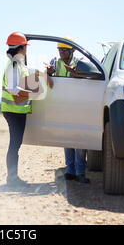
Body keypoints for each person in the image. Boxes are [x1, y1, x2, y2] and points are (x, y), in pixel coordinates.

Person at [2, 32, 53, 186]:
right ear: (21, 48)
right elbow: (12, 89)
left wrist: (44, 75)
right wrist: (32, 93)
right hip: (14, 111)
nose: (26, 50)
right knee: (14, 145)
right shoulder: (14, 65)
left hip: (17, 111)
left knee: (15, 144)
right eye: (25, 47)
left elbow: (28, 75)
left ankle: (12, 178)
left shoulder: (18, 64)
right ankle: (12, 179)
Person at [47, 37, 90, 184]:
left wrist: (75, 73)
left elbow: (87, 80)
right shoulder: (54, 62)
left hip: (78, 106)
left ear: (73, 50)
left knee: (79, 140)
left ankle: (80, 172)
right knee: (67, 140)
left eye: (64, 50)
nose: (61, 53)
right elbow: (49, 81)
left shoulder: (80, 62)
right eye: (60, 50)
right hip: (63, 106)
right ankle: (70, 171)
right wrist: (48, 73)